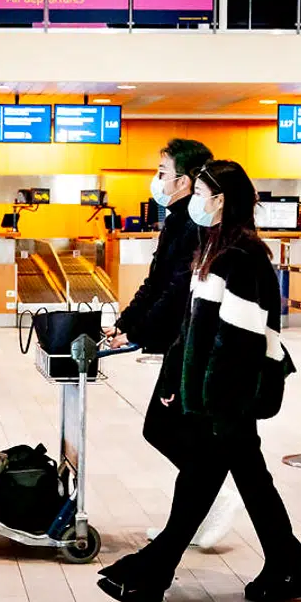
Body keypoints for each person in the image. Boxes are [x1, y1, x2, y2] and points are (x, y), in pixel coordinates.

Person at [97, 159, 301, 602]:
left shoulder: (242, 257)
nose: (193, 200)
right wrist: (178, 376)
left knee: (203, 476)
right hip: (217, 396)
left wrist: (211, 401)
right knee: (246, 478)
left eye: (200, 193)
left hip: (228, 397)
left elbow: (237, 341)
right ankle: (287, 564)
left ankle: (153, 573)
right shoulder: (216, 247)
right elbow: (195, 326)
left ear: (220, 201)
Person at [105, 139, 242, 550]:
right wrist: (126, 324)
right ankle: (194, 514)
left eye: (162, 172)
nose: (157, 179)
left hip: (194, 344)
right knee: (175, 429)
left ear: (184, 181)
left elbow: (177, 290)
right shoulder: (176, 220)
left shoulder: (194, 227)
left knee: (163, 428)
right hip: (180, 341)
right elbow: (155, 282)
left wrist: (139, 332)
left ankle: (216, 497)